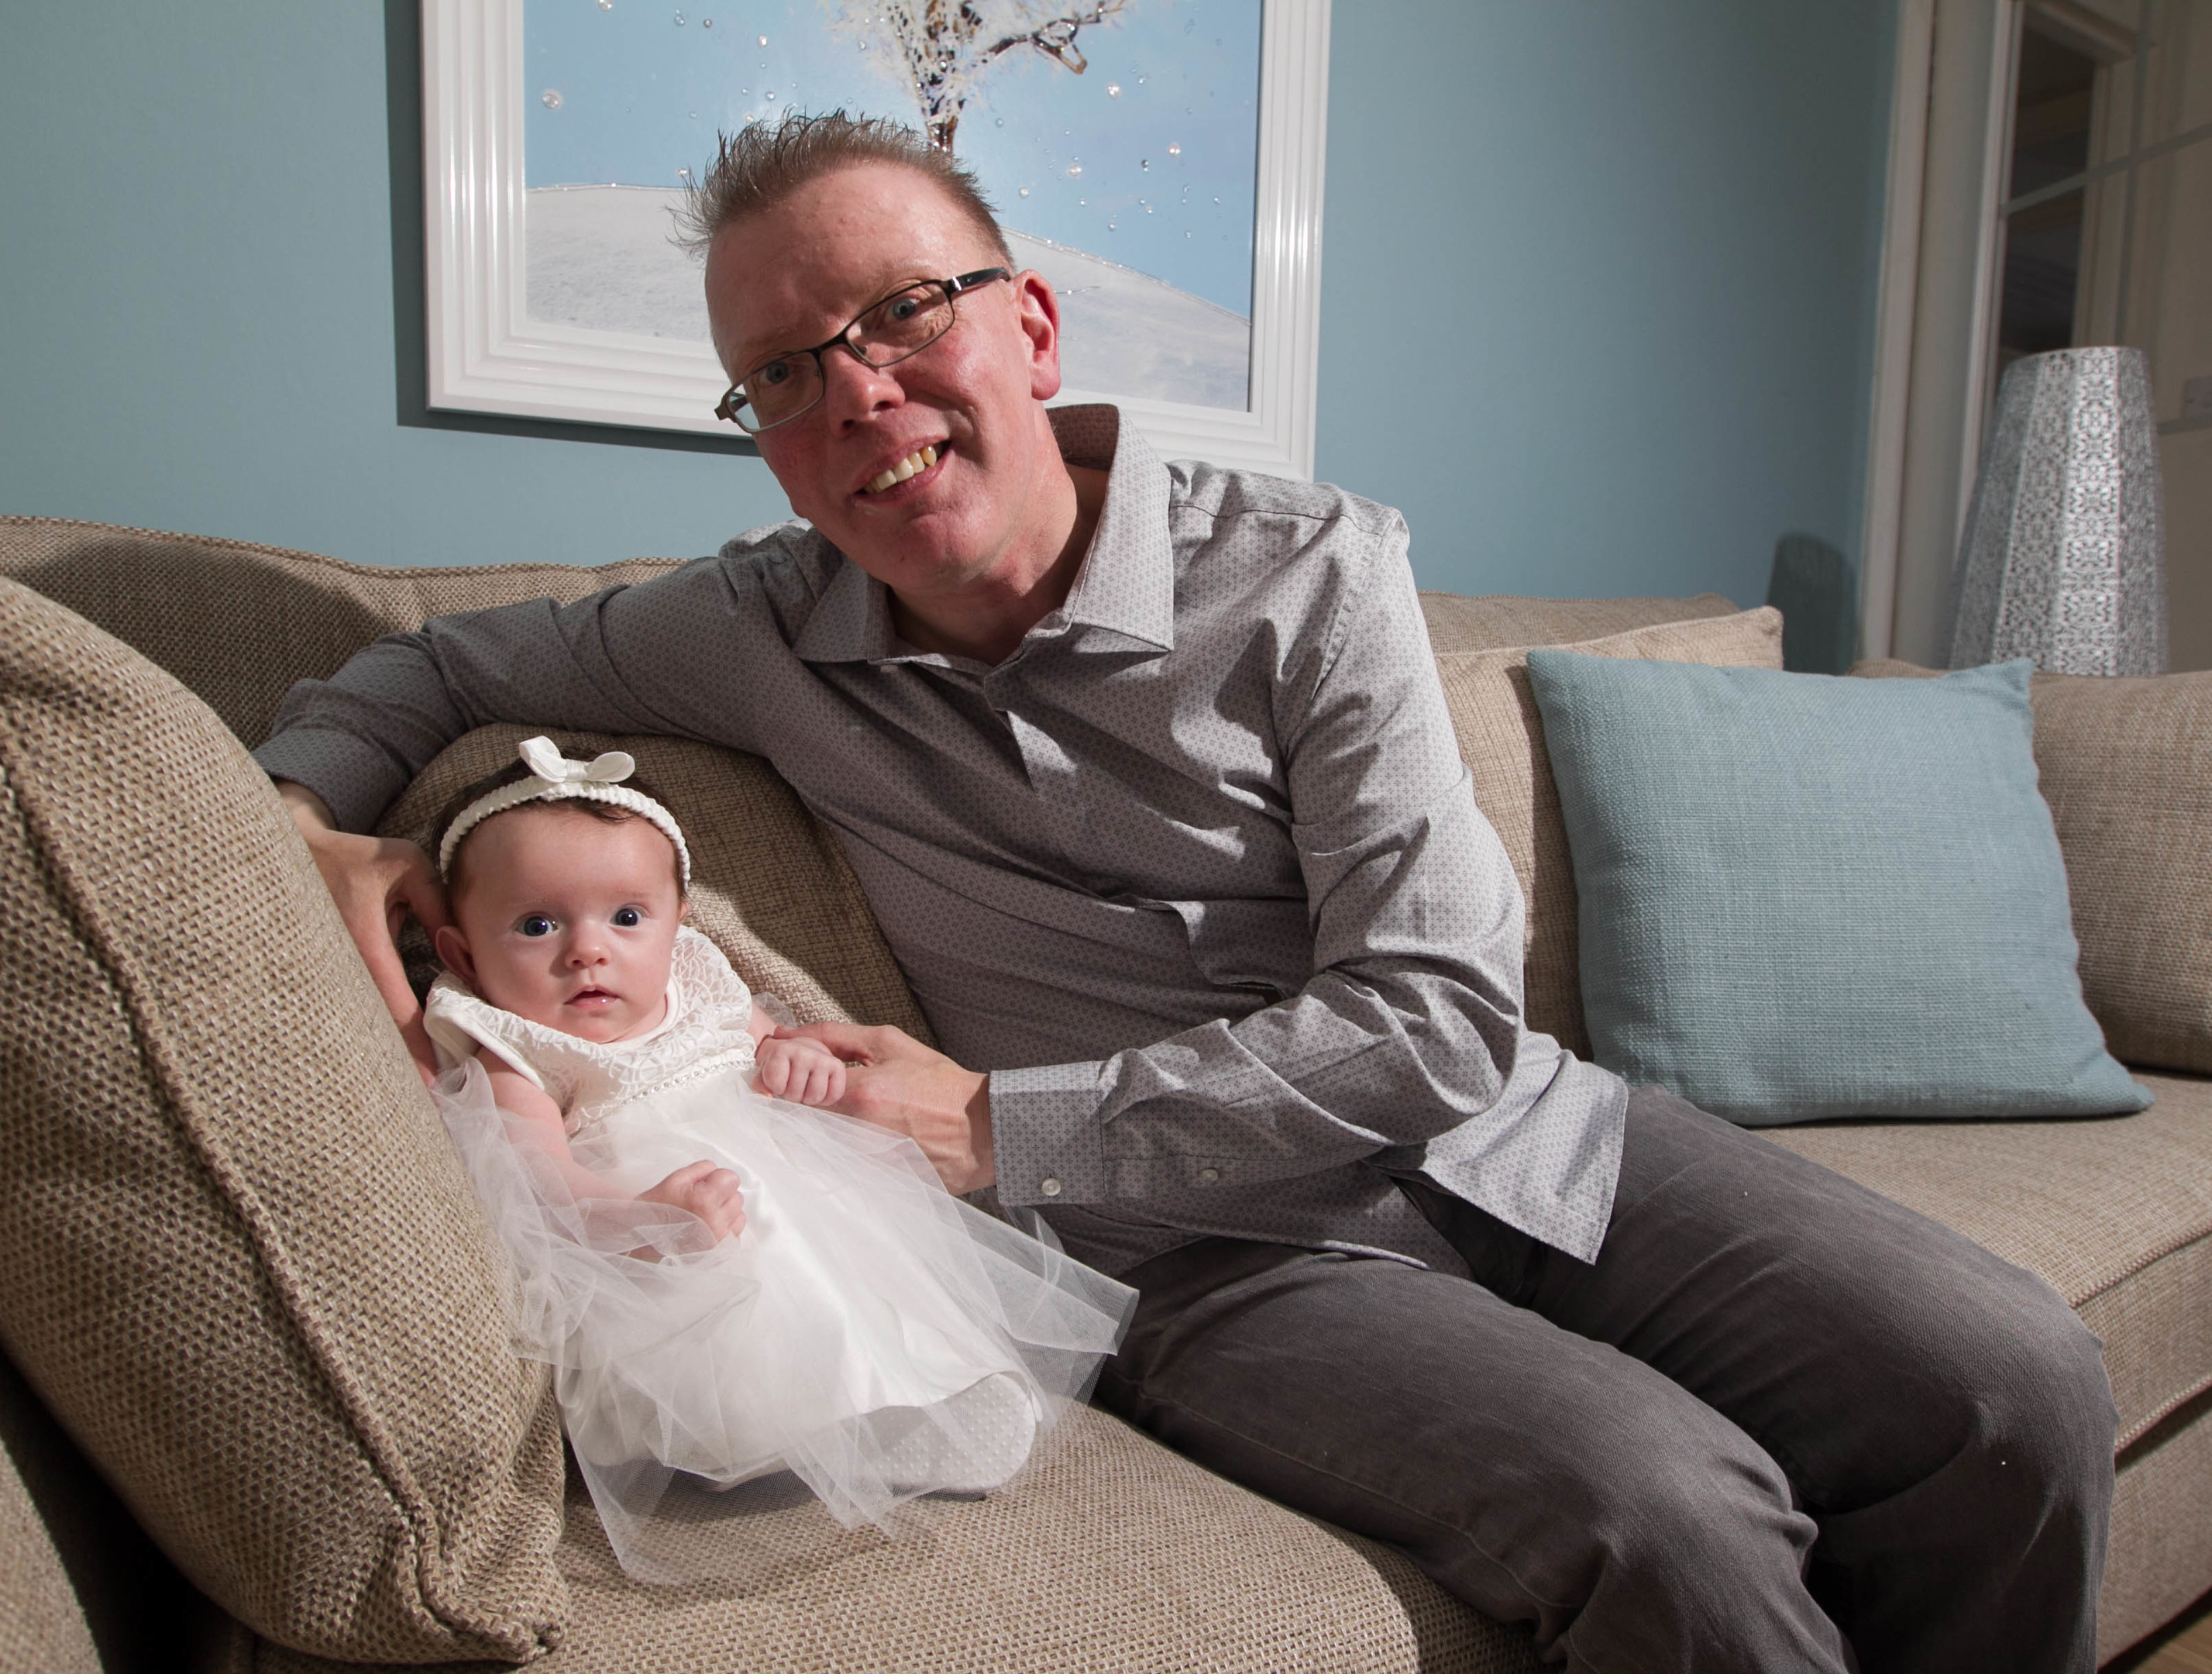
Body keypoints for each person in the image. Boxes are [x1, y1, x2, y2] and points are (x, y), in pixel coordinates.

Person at [260, 112, 2117, 1670]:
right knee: (1668, 1511)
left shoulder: (1308, 568)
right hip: (1201, 1256)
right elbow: (419, 668)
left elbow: (1444, 1011)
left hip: (1513, 1133)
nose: (858, 392)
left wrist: (994, 1114)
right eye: (785, 370)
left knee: (2009, 1379)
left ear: (1036, 328)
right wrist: (312, 823)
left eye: (902, 311)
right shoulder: (745, 628)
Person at [419, 733, 1133, 1583]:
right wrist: (637, 1215)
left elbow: (778, 1048)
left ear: (678, 924)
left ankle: (924, 1391)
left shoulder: (702, 978)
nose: (588, 950)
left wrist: (802, 1065)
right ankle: (784, 1433)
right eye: (538, 925)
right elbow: (534, 1175)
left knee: (865, 1266)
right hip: (667, 1223)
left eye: (627, 917)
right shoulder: (517, 1043)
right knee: (750, 1276)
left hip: (799, 1172)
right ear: (463, 954)